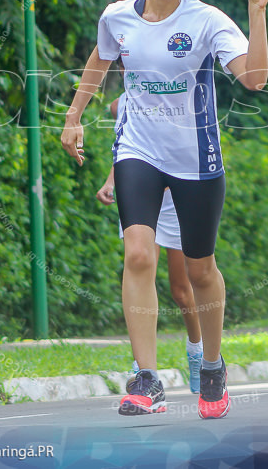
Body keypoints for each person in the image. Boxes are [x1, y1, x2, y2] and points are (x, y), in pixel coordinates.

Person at [61, 0, 268, 419]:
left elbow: (255, 78)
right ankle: (147, 378)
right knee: (138, 254)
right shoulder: (117, 16)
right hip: (138, 148)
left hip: (196, 158)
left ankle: (214, 366)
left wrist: (256, 14)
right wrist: (74, 116)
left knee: (199, 270)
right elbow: (101, 58)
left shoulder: (207, 21)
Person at [96, 93, 204, 393]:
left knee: (181, 289)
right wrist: (111, 181)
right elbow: (127, 146)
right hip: (141, 192)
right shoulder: (121, 104)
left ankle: (197, 351)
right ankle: (143, 369)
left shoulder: (176, 89)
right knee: (140, 267)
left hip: (176, 192)